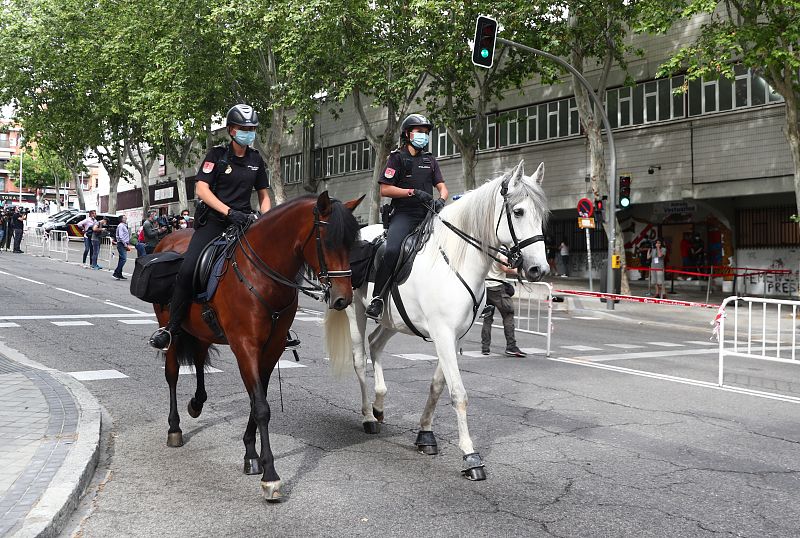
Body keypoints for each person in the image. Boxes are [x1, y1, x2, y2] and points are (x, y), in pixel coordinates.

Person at [149, 103, 271, 350]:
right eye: (244, 128)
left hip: (246, 223)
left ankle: (279, 326)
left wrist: (266, 220)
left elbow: (264, 195)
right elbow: (201, 189)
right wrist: (228, 212)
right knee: (188, 269)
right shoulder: (216, 156)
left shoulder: (256, 159)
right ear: (231, 130)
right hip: (215, 222)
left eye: (252, 128)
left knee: (272, 266)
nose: (249, 132)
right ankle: (172, 327)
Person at [365, 113, 448, 320]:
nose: (424, 136)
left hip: (428, 214)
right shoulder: (396, 158)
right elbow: (385, 189)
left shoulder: (430, 160)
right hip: (405, 214)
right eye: (420, 132)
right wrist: (411, 192)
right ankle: (377, 298)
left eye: (426, 133)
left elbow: (442, 188)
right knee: (392, 250)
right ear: (408, 134)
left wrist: (442, 200)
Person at [481, 257, 526, 357]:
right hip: (497, 287)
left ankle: (485, 347)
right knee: (508, 314)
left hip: (486, 287)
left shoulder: (487, 250)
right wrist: (518, 271)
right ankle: (511, 346)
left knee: (487, 318)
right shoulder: (500, 251)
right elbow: (504, 268)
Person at [113, 214, 131, 280]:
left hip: (123, 243)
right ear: (121, 219)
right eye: (124, 218)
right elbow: (120, 236)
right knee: (123, 259)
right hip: (121, 244)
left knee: (121, 259)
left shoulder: (124, 226)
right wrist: (125, 244)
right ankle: (116, 273)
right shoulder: (121, 226)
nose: (126, 219)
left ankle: (119, 274)